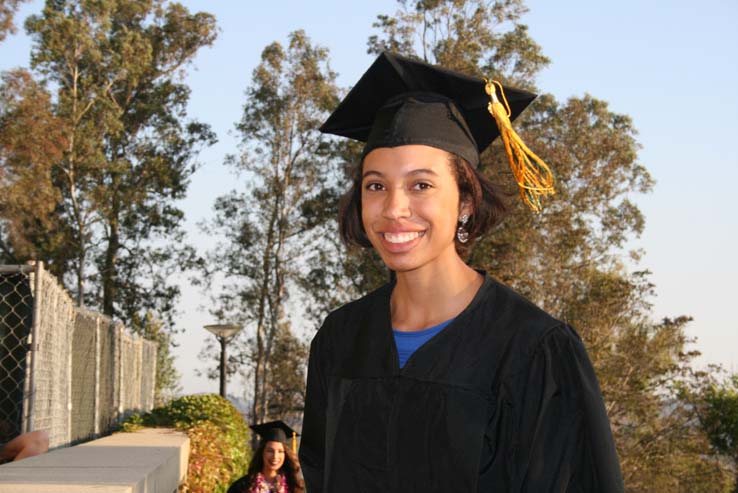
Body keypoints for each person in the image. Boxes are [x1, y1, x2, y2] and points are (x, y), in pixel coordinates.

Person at [298, 52, 624, 492]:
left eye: (421, 185)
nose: (394, 208)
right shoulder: (340, 340)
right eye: (376, 185)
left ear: (466, 203)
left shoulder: (534, 351)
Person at [228, 420, 305, 493]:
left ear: (286, 455)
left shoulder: (294, 487)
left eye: (280, 451)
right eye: (270, 451)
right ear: (262, 452)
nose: (275, 456)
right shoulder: (242, 486)